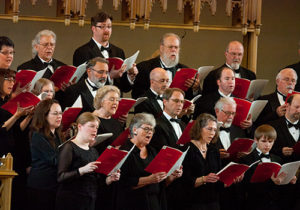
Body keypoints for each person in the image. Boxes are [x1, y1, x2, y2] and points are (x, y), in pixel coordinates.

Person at [115, 113, 182, 210]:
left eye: (152, 129)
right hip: (133, 203)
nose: (150, 132)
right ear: (135, 130)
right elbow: (122, 184)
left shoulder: (153, 151)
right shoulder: (125, 151)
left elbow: (161, 183)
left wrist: (172, 176)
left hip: (155, 203)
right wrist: (149, 179)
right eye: (146, 129)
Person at [55, 112, 120, 210]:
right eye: (91, 126)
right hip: (70, 201)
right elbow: (61, 177)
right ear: (80, 126)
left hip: (89, 201)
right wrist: (82, 170)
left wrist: (108, 180)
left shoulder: (93, 151)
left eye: (97, 128)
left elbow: (94, 181)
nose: (95, 130)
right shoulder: (69, 147)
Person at [73, 11, 137, 93]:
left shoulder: (119, 52)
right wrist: (109, 76)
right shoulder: (82, 52)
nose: (106, 30)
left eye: (109, 27)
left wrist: (130, 76)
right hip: (93, 102)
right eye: (102, 27)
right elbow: (83, 84)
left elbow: (124, 88)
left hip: (115, 101)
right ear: (93, 29)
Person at [240, 124, 297, 210]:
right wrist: (272, 181)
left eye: (270, 142)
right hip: (255, 205)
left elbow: (281, 188)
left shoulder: (278, 159)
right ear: (256, 140)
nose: (267, 145)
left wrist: (288, 180)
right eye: (264, 141)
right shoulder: (246, 159)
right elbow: (246, 186)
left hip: (275, 205)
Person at [0, 69, 33, 210]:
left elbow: (17, 130)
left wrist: (29, 115)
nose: (11, 82)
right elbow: (1, 129)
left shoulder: (8, 101)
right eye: (8, 79)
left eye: (13, 80)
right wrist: (16, 115)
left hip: (12, 150)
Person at [132, 33, 200, 99]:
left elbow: (190, 98)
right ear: (161, 48)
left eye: (176, 47)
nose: (173, 50)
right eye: (170, 47)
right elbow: (137, 95)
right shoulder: (144, 67)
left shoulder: (185, 70)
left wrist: (195, 89)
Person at [179, 113, 222, 210]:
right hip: (192, 203)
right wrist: (204, 179)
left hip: (213, 203)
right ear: (199, 128)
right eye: (209, 129)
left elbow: (219, 176)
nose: (212, 133)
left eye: (215, 130)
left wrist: (230, 178)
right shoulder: (186, 150)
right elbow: (183, 182)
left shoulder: (214, 151)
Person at [27, 99, 63, 210]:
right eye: (55, 113)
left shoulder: (57, 134)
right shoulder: (38, 135)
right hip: (41, 187)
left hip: (53, 185)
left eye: (61, 113)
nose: (59, 116)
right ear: (44, 115)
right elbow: (54, 160)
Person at [92, 85, 124, 154]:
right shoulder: (91, 121)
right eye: (112, 99)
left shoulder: (116, 123)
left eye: (117, 100)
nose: (115, 103)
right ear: (101, 101)